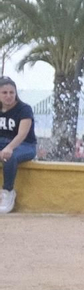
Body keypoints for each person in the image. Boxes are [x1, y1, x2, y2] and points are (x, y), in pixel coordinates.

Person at [0, 76, 34, 214]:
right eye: (4, 92)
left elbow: (22, 134)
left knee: (10, 156)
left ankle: (8, 192)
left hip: (24, 145)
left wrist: (9, 148)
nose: (8, 96)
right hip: (2, 142)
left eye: (11, 92)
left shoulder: (24, 109)